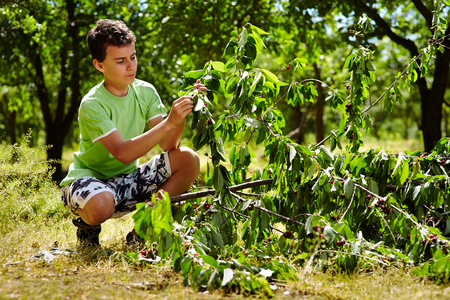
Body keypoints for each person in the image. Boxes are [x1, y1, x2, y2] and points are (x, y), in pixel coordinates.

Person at [60, 19, 204, 247]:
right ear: (99, 65)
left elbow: (169, 146)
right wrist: (168, 123)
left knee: (188, 158)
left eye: (133, 57)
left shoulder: (145, 91)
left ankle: (143, 231)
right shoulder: (93, 103)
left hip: (127, 181)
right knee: (101, 205)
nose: (131, 66)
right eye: (120, 61)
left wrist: (181, 114)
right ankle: (87, 226)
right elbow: (123, 153)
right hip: (87, 181)